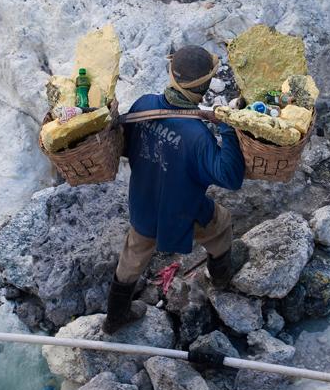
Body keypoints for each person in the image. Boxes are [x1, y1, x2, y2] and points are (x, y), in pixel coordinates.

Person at [103, 45, 245, 334]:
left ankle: (114, 317)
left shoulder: (143, 106)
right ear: (205, 85)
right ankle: (220, 279)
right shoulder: (198, 137)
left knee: (132, 256)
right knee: (221, 224)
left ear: (172, 74)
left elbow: (127, 146)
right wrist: (229, 128)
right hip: (183, 212)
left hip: (144, 209)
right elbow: (230, 177)